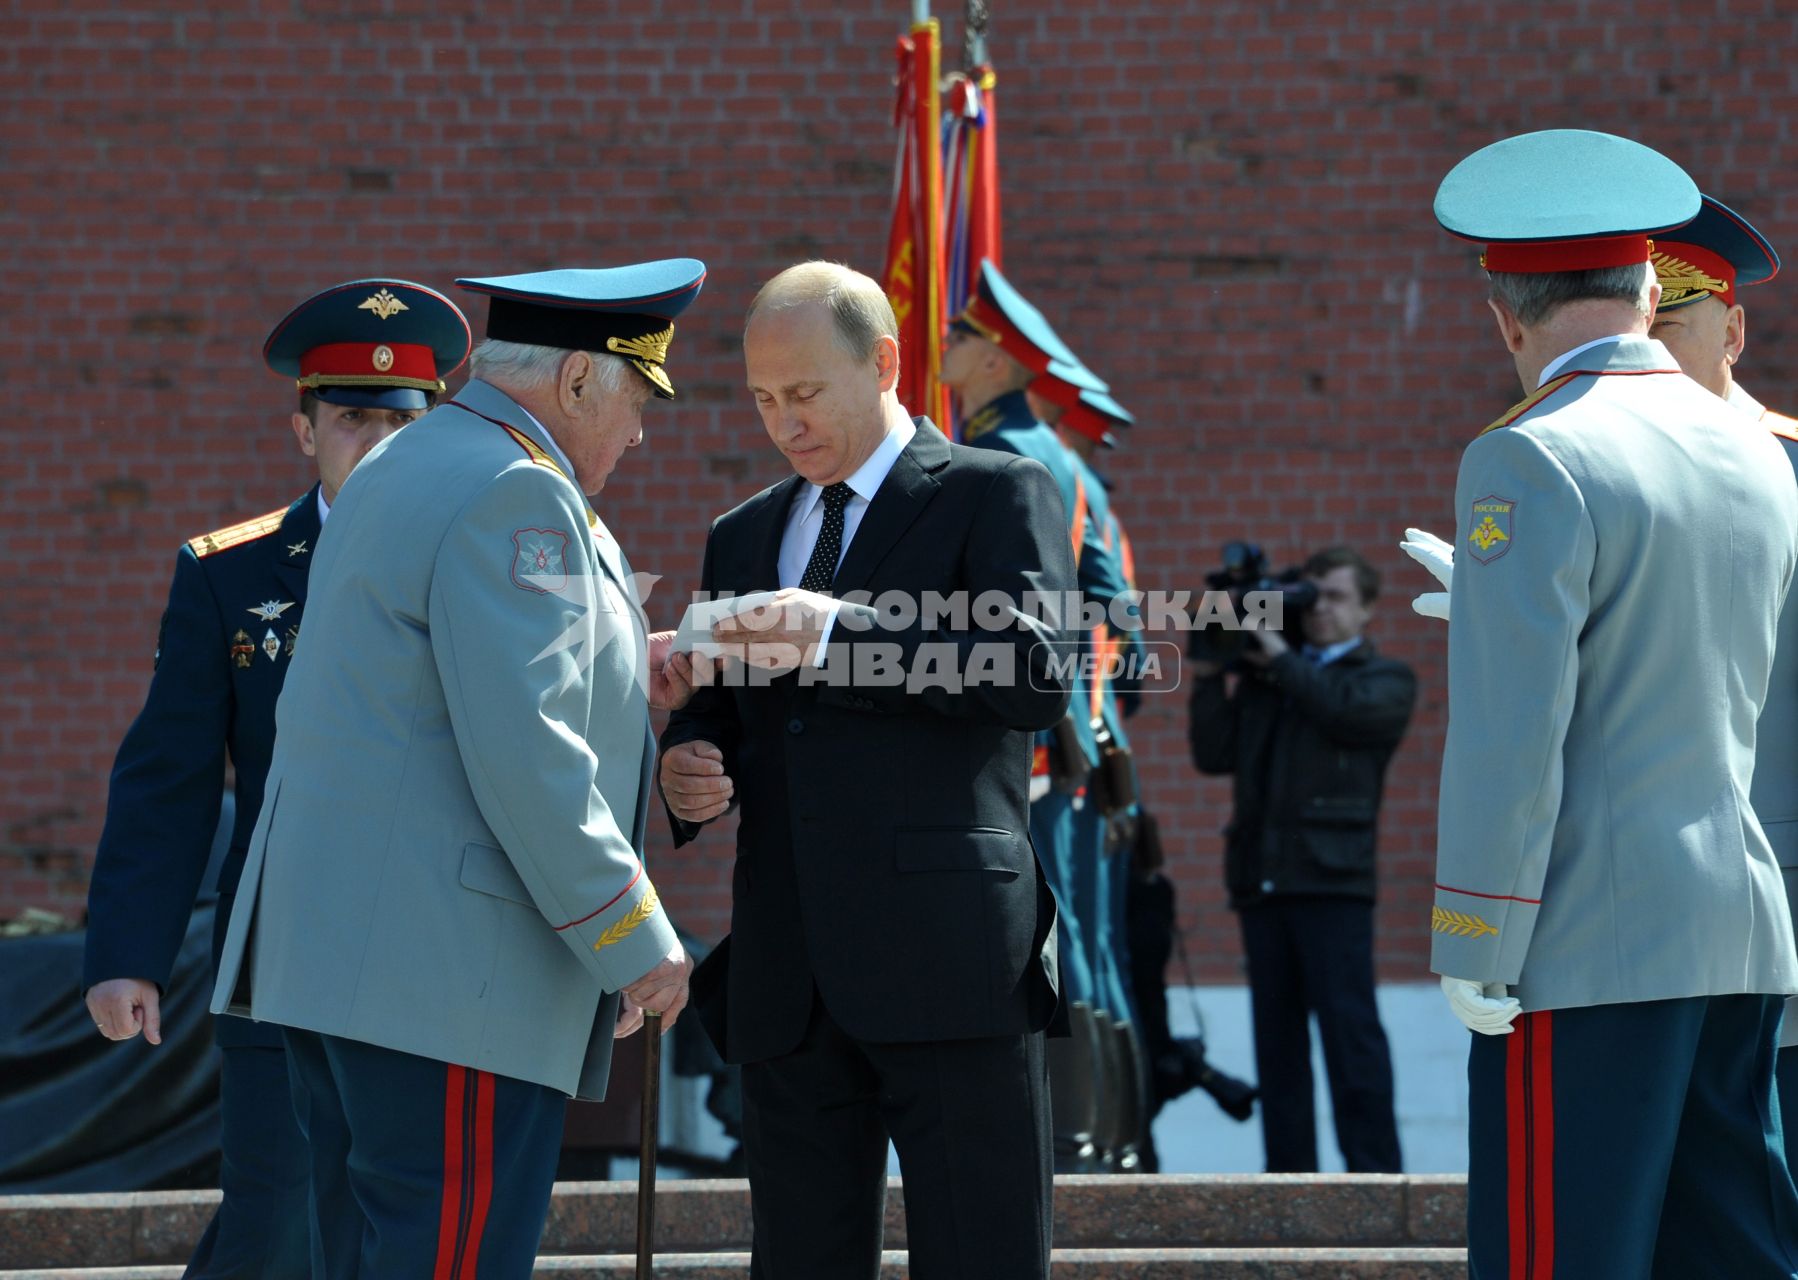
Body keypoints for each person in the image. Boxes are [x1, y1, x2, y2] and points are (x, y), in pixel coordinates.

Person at [210, 261, 705, 1279]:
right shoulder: (516, 487)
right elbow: (526, 749)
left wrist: (625, 660)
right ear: (576, 381)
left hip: (351, 966)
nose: (641, 432)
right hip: (452, 979)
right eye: (634, 399)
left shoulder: (419, 457)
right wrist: (633, 935)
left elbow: (434, 686)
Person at [1430, 130, 1798, 1278]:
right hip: (1737, 926)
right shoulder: (1752, 449)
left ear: (1504, 315)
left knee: (1560, 1257)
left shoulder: (1527, 454)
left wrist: (1473, 935)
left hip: (1584, 937)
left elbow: (1512, 734)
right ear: (1649, 286)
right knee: (1728, 1254)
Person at [659, 261, 1072, 1278]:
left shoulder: (995, 490)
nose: (783, 422)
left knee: (980, 1254)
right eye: (762, 399)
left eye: (804, 393)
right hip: (788, 972)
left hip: (953, 960)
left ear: (884, 362)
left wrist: (840, 633)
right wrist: (687, 762)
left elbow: (1034, 667)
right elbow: (719, 706)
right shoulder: (744, 531)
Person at [82, 278, 471, 1279]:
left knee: (410, 1221)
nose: (375, 440)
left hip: (440, 951)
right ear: (305, 429)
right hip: (282, 950)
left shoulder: (485, 561)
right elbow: (167, 773)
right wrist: (129, 950)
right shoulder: (230, 573)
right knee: (281, 1212)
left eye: (399, 419)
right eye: (350, 417)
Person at [941, 260, 1131, 1168]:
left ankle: (1077, 1129)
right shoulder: (1034, 452)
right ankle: (1095, 1131)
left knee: (1052, 927)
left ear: (997, 359)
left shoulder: (1018, 457)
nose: (944, 345)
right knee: (1075, 929)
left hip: (1032, 734)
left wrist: (1075, 721)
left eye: (960, 336)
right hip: (1054, 730)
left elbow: (1085, 609)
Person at [1648, 196, 1798, 1170]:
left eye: (1672, 318)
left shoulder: (1786, 464)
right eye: (1635, 320)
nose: (1648, 346)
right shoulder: (1592, 466)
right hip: (1638, 923)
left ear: (1732, 328)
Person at [1187, 545, 1414, 1173]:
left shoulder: (1383, 680)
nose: (1319, 611)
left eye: (1336, 598)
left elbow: (1338, 709)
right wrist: (1210, 671)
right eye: (1311, 597)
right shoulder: (1270, 682)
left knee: (1351, 1038)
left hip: (1334, 885)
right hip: (1263, 882)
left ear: (1367, 609)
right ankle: (1289, 1182)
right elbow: (1213, 754)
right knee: (1277, 1046)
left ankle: (1376, 1177)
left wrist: (1278, 654)